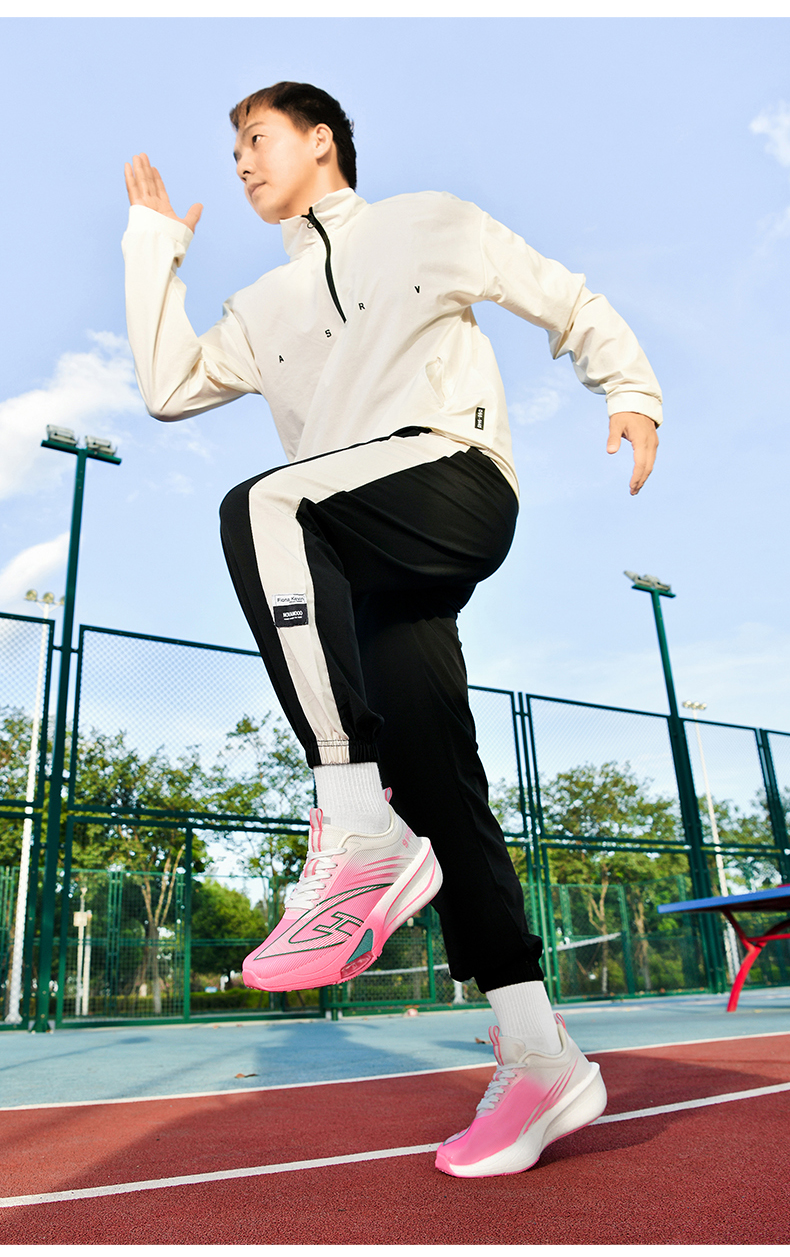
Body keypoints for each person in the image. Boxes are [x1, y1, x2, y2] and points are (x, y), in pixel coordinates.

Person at [122, 81, 661, 1178]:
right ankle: (538, 1053)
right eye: (232, 150)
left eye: (256, 139)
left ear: (320, 141)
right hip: (365, 553)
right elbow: (167, 387)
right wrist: (152, 250)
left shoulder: (427, 222)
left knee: (263, 504)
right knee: (442, 788)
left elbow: (562, 297)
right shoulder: (260, 309)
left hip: (455, 478)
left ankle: (356, 822)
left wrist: (630, 388)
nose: (240, 162)